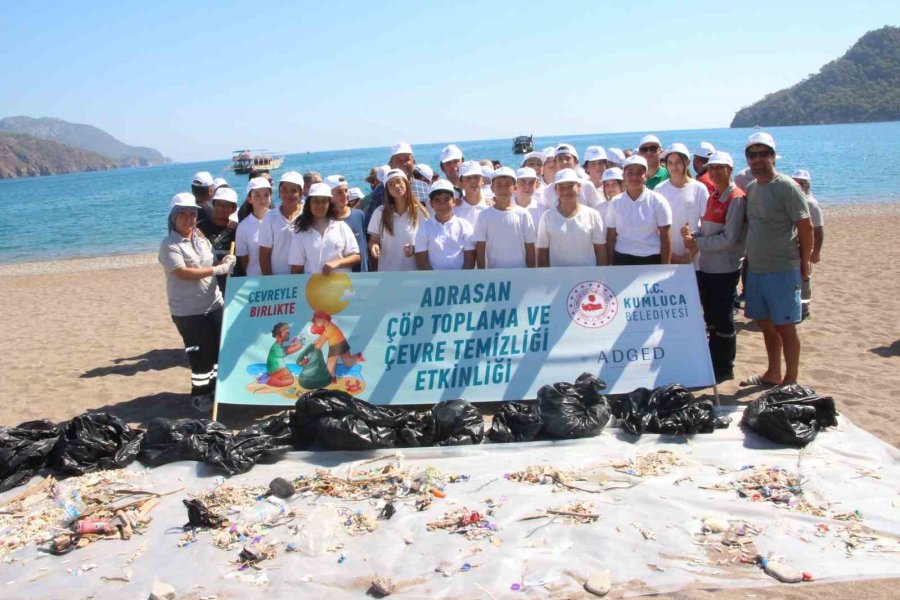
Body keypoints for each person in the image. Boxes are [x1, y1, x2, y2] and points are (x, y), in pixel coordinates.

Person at [740, 132, 812, 386]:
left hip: (783, 268)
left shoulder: (787, 187)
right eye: (752, 155)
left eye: (763, 154)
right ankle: (773, 373)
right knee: (766, 324)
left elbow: (805, 226)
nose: (758, 160)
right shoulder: (752, 188)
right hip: (757, 269)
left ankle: (790, 380)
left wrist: (805, 264)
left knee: (785, 326)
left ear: (772, 156)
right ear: (747, 159)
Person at [158, 193, 235, 412]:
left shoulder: (200, 239)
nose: (188, 218)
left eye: (192, 214)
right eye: (182, 214)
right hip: (188, 312)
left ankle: (215, 389)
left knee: (217, 350)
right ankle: (200, 395)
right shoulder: (170, 245)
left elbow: (210, 262)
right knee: (199, 354)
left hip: (213, 305)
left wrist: (225, 262)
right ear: (173, 218)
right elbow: (183, 272)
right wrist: (217, 269)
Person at [681, 151, 747, 383]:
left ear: (730, 169)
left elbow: (729, 239)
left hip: (725, 269)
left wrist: (697, 241)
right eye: (712, 168)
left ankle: (725, 366)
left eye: (721, 167)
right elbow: (710, 232)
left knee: (724, 318)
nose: (716, 172)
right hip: (708, 267)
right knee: (710, 317)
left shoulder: (736, 198)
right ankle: (714, 361)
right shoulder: (714, 196)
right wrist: (694, 235)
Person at [605, 155, 672, 265]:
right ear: (623, 176)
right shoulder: (615, 203)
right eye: (630, 172)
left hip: (652, 259)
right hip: (622, 259)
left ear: (646, 176)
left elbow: (666, 237)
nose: (634, 177)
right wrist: (611, 267)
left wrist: (665, 268)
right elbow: (611, 236)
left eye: (639, 172)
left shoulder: (658, 201)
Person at [536, 169, 607, 267]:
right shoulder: (547, 217)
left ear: (579, 188)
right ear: (555, 190)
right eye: (561, 187)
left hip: (587, 277)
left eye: (570, 186)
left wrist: (601, 276)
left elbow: (600, 249)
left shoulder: (593, 215)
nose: (566, 191)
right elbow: (542, 251)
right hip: (558, 277)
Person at [289, 182, 361, 275]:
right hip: (314, 287)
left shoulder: (341, 226)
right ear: (309, 204)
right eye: (315, 201)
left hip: (342, 287)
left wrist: (336, 263)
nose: (320, 205)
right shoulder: (300, 231)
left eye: (324, 201)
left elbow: (356, 257)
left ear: (329, 203)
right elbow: (296, 269)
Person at [655, 143, 709, 266]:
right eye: (670, 163)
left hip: (695, 259)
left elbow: (706, 226)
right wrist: (673, 257)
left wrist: (690, 255)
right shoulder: (659, 190)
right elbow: (655, 228)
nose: (674, 167)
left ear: (687, 162)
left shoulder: (699, 188)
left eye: (678, 162)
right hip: (668, 258)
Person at [473, 167, 536, 269]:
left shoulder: (523, 214)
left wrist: (531, 273)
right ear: (492, 188)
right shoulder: (484, 215)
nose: (503, 189)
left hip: (521, 272)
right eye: (499, 185)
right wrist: (482, 274)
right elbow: (480, 248)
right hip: (495, 275)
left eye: (507, 185)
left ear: (515, 188)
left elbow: (530, 247)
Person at [367, 169, 429, 271]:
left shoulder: (420, 211)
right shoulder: (379, 212)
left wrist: (414, 248)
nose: (396, 186)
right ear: (387, 190)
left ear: (406, 183)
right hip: (388, 274)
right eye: (390, 184)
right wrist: (374, 247)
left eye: (398, 181)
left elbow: (428, 241)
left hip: (414, 273)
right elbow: (373, 240)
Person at [415, 179, 475, 270]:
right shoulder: (424, 228)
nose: (442, 205)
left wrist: (459, 281)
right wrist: (437, 282)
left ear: (454, 202)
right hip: (434, 283)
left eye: (447, 200)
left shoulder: (465, 226)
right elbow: (421, 262)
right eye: (437, 200)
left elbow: (470, 261)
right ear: (431, 204)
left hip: (461, 282)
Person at [791, 169, 824, 320]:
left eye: (801, 184)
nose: (798, 186)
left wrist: (816, 252)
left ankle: (804, 309)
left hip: (805, 247)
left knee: (805, 276)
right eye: (795, 183)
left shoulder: (811, 204)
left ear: (807, 185)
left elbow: (818, 229)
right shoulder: (792, 200)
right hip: (791, 247)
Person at [258, 171, 303, 275]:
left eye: (293, 190)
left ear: (301, 193)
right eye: (284, 190)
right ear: (279, 192)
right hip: (279, 279)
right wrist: (270, 281)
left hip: (305, 277)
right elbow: (264, 254)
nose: (288, 194)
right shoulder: (269, 217)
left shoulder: (307, 215)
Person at [198, 186, 238, 293]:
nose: (222, 208)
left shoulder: (238, 229)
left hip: (231, 284)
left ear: (233, 209)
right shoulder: (199, 228)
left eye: (226, 205)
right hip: (207, 284)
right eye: (219, 204)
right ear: (213, 204)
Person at [327, 175, 369, 272]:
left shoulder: (360, 215)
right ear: (329, 197)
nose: (345, 195)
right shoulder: (326, 221)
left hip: (364, 276)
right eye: (339, 192)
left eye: (346, 190)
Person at [542, 144, 604, 210]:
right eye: (560, 159)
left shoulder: (587, 186)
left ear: (576, 162)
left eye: (568, 158)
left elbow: (599, 210)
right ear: (555, 163)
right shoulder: (548, 190)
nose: (564, 162)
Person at [235, 178, 271, 277]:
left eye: (266, 195)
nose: (262, 199)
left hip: (281, 279)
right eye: (257, 195)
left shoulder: (279, 221)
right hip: (255, 281)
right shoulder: (243, 227)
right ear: (249, 199)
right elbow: (244, 261)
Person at [261, 323, 304, 388]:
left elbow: (286, 348)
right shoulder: (277, 349)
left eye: (288, 331)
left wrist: (294, 344)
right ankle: (267, 379)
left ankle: (270, 377)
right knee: (290, 380)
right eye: (285, 331)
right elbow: (290, 350)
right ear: (277, 336)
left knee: (288, 379)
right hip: (276, 369)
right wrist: (298, 345)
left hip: (275, 368)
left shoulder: (277, 346)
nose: (288, 333)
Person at [453, 161, 490, 226]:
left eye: (476, 177)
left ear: (482, 180)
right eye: (468, 178)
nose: (473, 181)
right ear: (461, 182)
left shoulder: (491, 206)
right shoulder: (454, 211)